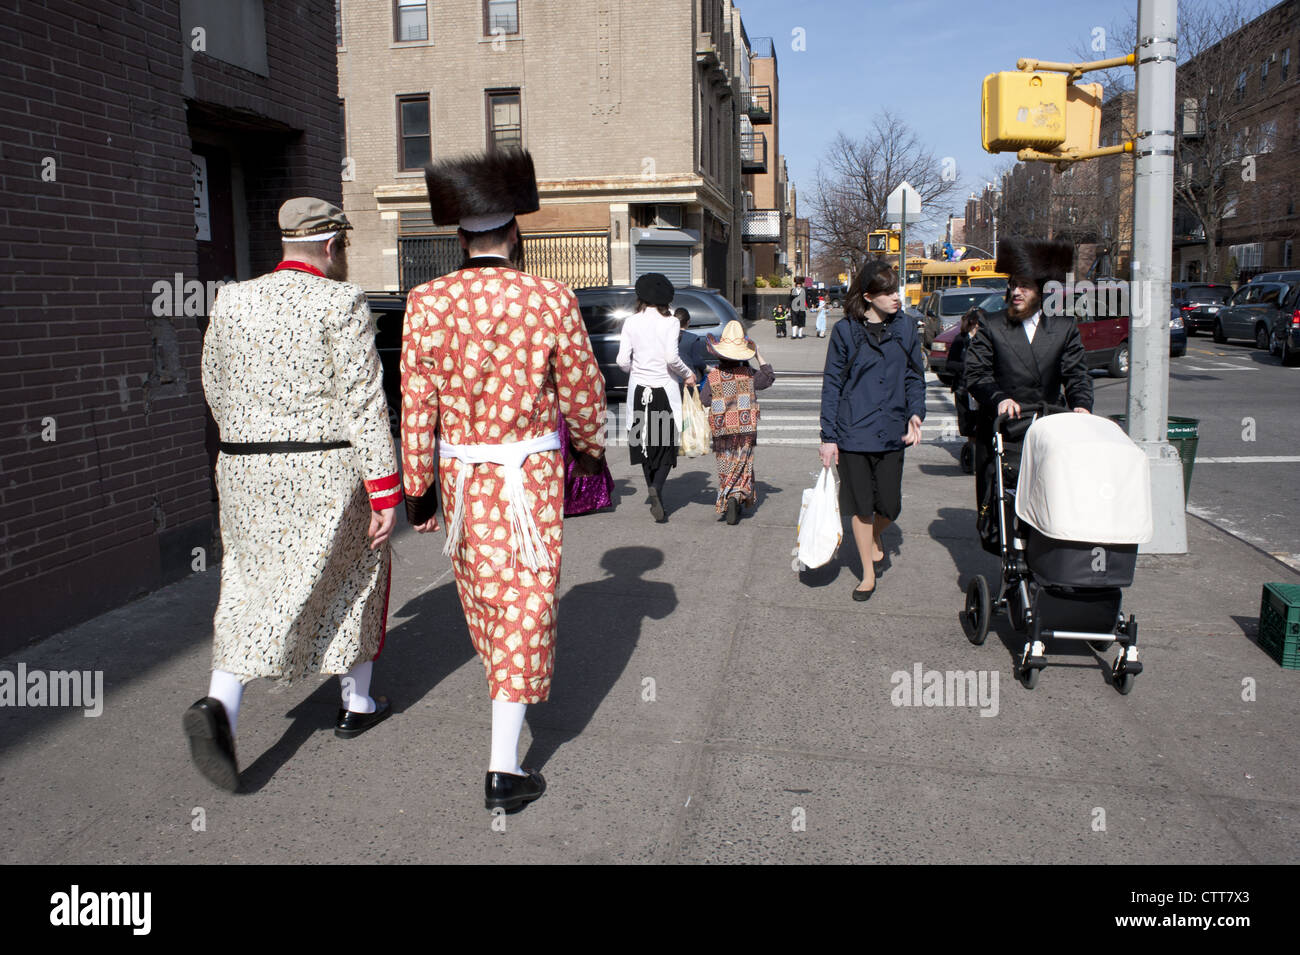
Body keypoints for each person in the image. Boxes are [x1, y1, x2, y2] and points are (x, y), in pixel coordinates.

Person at [401, 149, 608, 813]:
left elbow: (415, 399)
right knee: (529, 592)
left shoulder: (425, 301)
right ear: (515, 231)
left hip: (463, 473)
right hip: (531, 474)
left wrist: (418, 485)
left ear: (459, 236)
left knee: (487, 593)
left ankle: (504, 733)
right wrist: (591, 448)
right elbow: (581, 388)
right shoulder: (550, 298)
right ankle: (502, 762)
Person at [186, 198, 401, 793]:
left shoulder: (230, 300)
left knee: (248, 584)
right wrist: (385, 488)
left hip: (246, 467)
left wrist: (243, 446)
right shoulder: (341, 301)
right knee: (356, 574)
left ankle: (220, 704)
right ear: (331, 247)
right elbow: (364, 401)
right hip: (324, 466)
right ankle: (356, 703)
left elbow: (214, 383)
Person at [964, 237, 1093, 553]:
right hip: (1004, 430)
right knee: (1003, 508)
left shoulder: (1063, 327)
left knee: (1048, 502)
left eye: (1024, 286)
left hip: (1047, 426)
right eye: (1013, 285)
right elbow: (976, 375)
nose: (1016, 292)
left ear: (1041, 291)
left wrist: (1081, 406)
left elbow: (1076, 374)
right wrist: (999, 398)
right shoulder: (991, 325)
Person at [819, 259, 925, 601]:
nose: (897, 297)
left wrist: (915, 414)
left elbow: (914, 376)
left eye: (897, 289)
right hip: (853, 432)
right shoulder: (846, 331)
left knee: (890, 506)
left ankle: (877, 536)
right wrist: (828, 437)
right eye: (889, 291)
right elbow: (832, 384)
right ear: (868, 296)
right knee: (862, 507)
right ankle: (867, 574)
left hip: (892, 429)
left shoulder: (906, 328)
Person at [617, 273, 696, 523]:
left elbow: (621, 361)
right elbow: (672, 358)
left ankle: (651, 486)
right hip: (663, 389)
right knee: (666, 443)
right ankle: (657, 488)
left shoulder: (630, 322)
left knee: (643, 442)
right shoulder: (671, 322)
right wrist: (688, 374)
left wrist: (637, 372)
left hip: (639, 390)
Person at [699, 321, 775, 524]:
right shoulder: (749, 375)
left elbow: (705, 400)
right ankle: (737, 494)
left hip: (722, 428)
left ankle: (727, 494)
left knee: (725, 463)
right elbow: (768, 378)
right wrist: (758, 355)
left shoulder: (714, 376)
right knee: (743, 462)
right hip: (745, 428)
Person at [947, 307, 985, 474]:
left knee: (983, 423)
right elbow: (950, 364)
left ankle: (982, 453)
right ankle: (972, 451)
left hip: (982, 388)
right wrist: (967, 368)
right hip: (964, 389)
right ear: (970, 324)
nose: (977, 329)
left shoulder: (986, 340)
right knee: (969, 424)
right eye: (975, 325)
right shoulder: (960, 340)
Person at [675, 307, 711, 385]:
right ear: (688, 322)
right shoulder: (693, 338)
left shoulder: (668, 337)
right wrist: (708, 368)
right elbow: (697, 361)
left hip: (672, 378)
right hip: (688, 379)